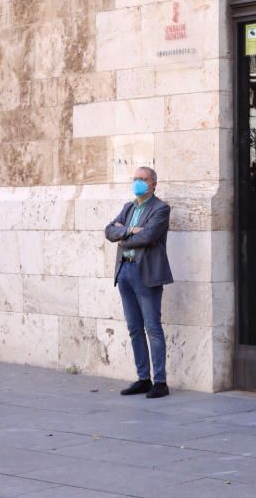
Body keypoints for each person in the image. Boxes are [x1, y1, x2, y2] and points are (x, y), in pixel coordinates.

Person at [104, 166, 173, 399]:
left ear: (153, 183)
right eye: (135, 179)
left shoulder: (160, 208)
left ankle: (160, 382)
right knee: (134, 328)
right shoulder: (128, 207)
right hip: (124, 272)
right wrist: (130, 230)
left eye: (142, 179)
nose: (137, 183)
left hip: (147, 274)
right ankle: (143, 378)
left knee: (152, 327)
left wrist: (123, 236)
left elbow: (149, 236)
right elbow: (108, 231)